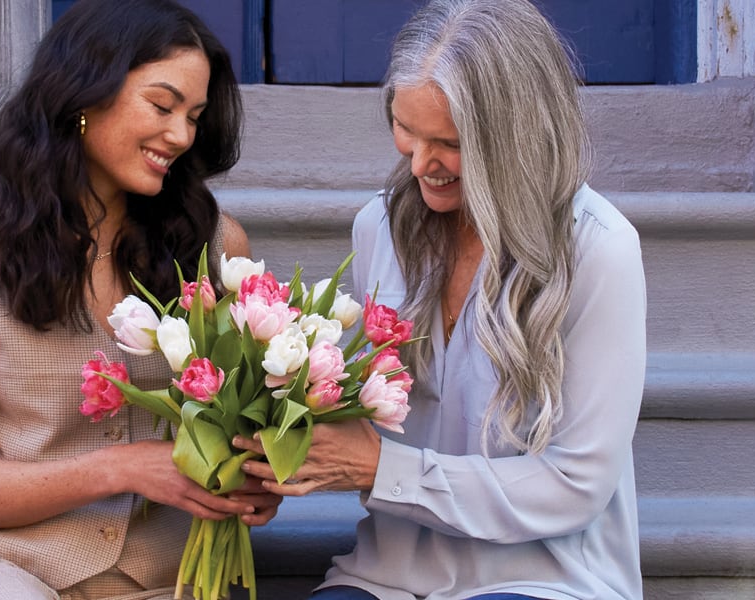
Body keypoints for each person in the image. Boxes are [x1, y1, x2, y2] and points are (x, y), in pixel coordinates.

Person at [235, 0, 647, 599]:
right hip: (389, 575)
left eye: (449, 143)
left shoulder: (598, 250)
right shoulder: (380, 226)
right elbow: (376, 414)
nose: (422, 164)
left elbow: (576, 484)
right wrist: (277, 454)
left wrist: (386, 472)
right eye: (406, 131)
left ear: (519, 136)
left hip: (545, 578)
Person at [0, 1, 280, 598]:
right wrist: (122, 467)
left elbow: (236, 430)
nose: (181, 135)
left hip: (166, 575)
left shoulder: (214, 249)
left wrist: (255, 480)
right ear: (82, 94)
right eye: (162, 106)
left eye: (194, 116)